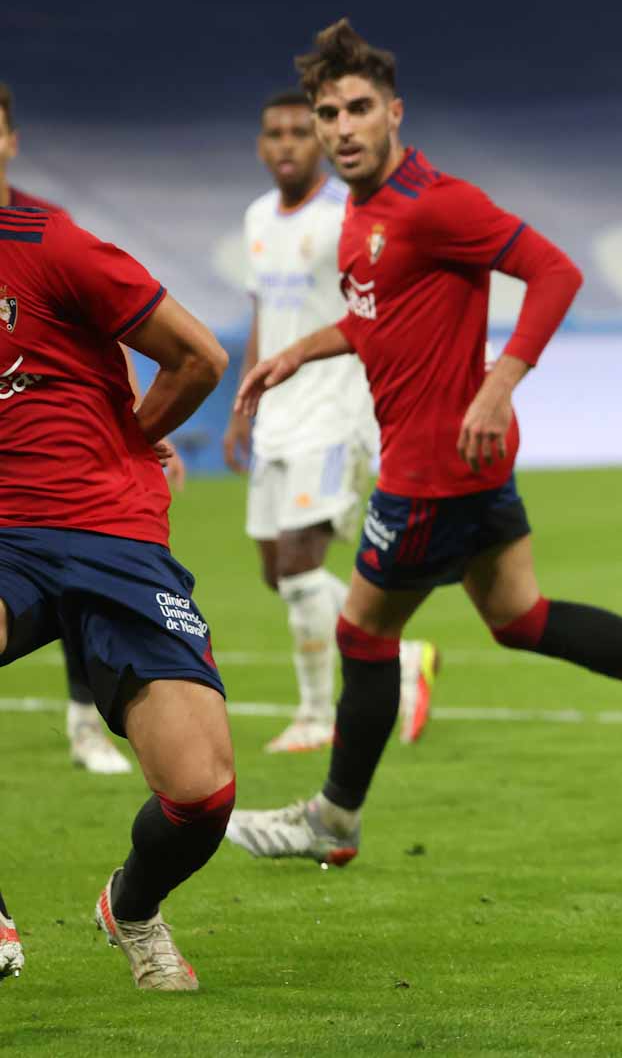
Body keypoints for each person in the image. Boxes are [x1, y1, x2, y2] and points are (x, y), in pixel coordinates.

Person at [224, 20, 622, 868]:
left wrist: (499, 380)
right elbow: (379, 319)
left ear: (394, 112)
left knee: (364, 636)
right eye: (327, 112)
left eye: (357, 108)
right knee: (521, 618)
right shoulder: (362, 211)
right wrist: (297, 351)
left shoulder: (437, 203)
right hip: (465, 458)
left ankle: (333, 819)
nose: (340, 128)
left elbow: (556, 272)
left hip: (433, 465)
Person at [0, 203, 237, 989]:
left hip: (113, 531)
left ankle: (131, 908)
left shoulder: (51, 244)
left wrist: (127, 439)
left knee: (203, 791)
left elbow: (198, 356)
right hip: (7, 532)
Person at [225, 90, 437, 754]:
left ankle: (319, 715)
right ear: (261, 146)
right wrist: (244, 399)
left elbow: (379, 303)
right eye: (274, 133)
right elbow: (265, 311)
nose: (286, 143)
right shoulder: (258, 217)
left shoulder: (347, 212)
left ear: (317, 141)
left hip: (335, 410)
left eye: (297, 131)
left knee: (297, 568)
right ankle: (400, 656)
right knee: (276, 570)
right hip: (278, 410)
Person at [0, 79, 159, 775]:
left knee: (69, 559)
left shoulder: (47, 236)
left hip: (49, 471)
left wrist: (128, 427)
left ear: (9, 139)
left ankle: (84, 724)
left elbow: (108, 334)